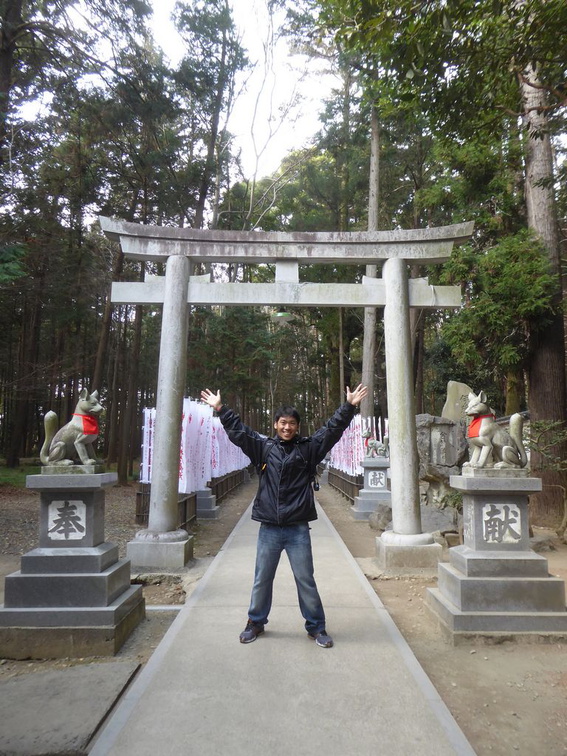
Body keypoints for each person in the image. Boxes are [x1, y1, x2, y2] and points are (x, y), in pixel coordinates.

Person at [200, 384, 368, 648]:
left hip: (297, 528)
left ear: (297, 427)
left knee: (305, 580)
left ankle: (316, 627)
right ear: (275, 425)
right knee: (262, 579)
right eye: (282, 423)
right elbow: (239, 433)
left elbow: (331, 431)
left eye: (291, 423)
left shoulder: (308, 449)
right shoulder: (263, 448)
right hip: (269, 528)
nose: (287, 427)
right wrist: (221, 409)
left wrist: (348, 406)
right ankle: (255, 622)